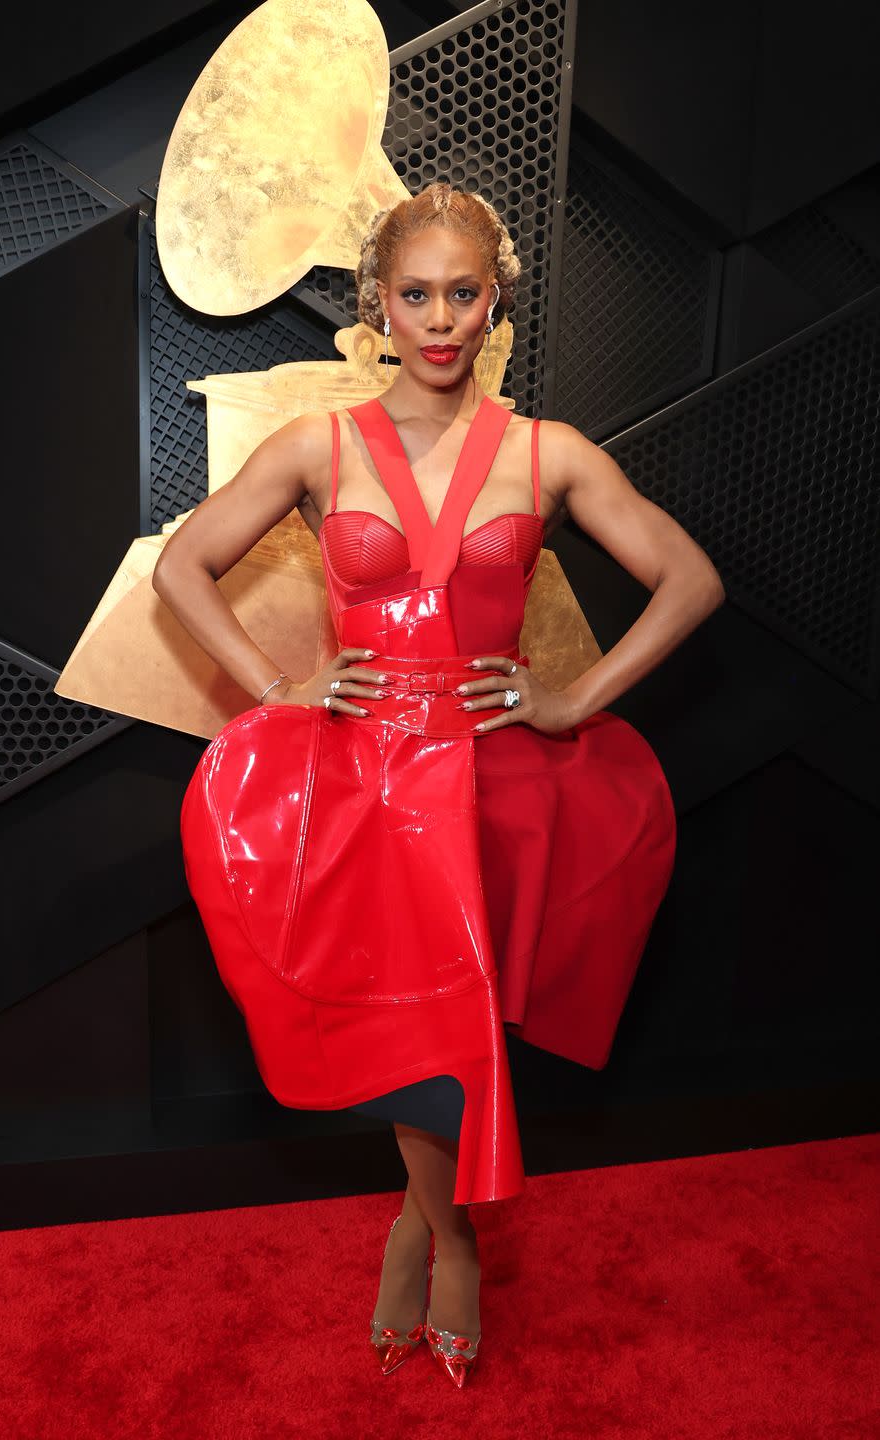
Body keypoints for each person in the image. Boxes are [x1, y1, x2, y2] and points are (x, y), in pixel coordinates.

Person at [152, 181, 724, 1388]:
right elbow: (187, 566)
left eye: (464, 293)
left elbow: (688, 579)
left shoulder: (547, 454)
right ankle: (450, 1232)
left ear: (494, 302)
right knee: (419, 1022)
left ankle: (417, 1226)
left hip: (493, 785)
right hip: (361, 784)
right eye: (416, 295)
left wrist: (571, 699)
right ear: (378, 305)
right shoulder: (319, 444)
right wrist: (277, 686)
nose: (441, 319)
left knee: (459, 1024)